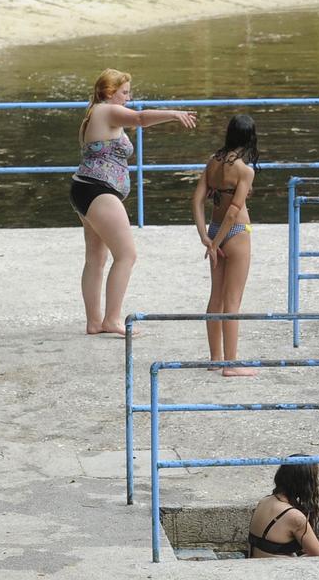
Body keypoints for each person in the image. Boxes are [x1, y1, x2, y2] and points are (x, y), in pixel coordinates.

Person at [71, 69, 197, 337]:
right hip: (98, 190)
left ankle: (94, 322)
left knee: (96, 257)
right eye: (125, 92)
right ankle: (112, 320)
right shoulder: (106, 111)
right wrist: (174, 114)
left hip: (85, 188)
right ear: (109, 92)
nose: (128, 97)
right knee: (126, 255)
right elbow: (139, 118)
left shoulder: (95, 112)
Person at [193, 114, 258, 377]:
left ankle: (215, 358)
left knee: (215, 297)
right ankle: (231, 364)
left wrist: (206, 238)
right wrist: (216, 245)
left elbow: (196, 200)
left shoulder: (213, 162)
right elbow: (234, 211)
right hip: (236, 233)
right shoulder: (245, 170)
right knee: (232, 300)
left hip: (214, 229)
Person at [247, 459, 319, 558]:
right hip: (280, 570)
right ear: (306, 484)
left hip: (259, 561)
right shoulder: (295, 517)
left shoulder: (265, 501)